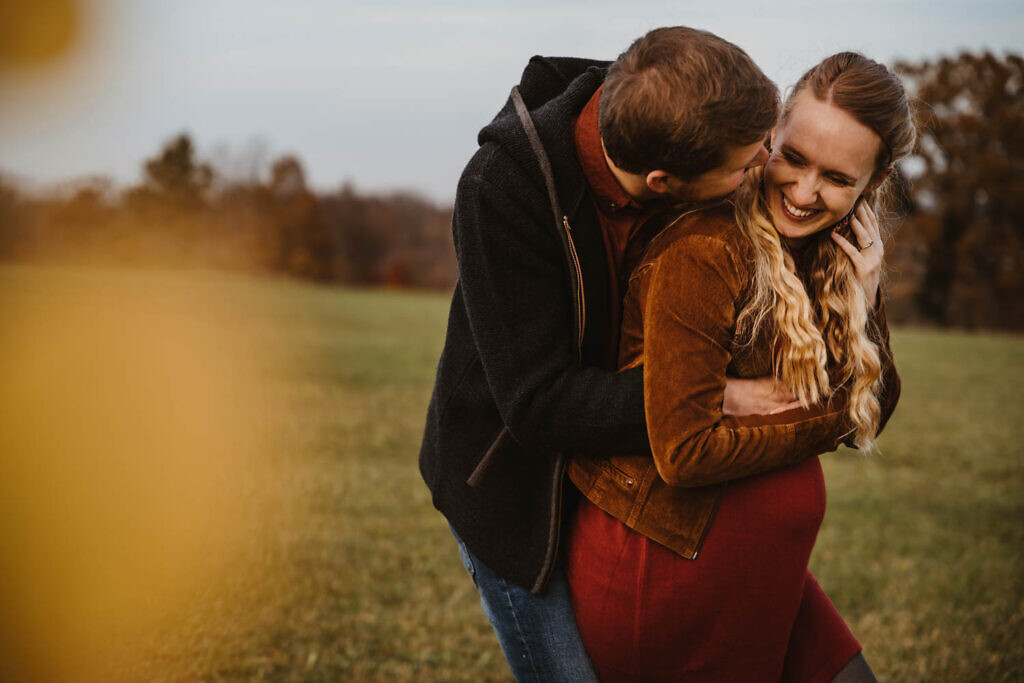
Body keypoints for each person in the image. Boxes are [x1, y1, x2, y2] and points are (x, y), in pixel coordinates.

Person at [416, 26, 810, 681]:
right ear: (664, 181)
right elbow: (538, 404)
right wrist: (707, 393)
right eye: (745, 164)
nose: (764, 167)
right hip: (516, 491)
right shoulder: (500, 191)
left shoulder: (679, 115)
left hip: (623, 480)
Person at [565, 51, 916, 682]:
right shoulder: (704, 249)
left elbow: (878, 402)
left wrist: (866, 299)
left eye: (837, 178)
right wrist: (837, 411)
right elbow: (685, 450)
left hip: (767, 574)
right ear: (772, 133)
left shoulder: (838, 252)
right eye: (796, 158)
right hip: (671, 569)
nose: (806, 192)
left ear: (873, 181)